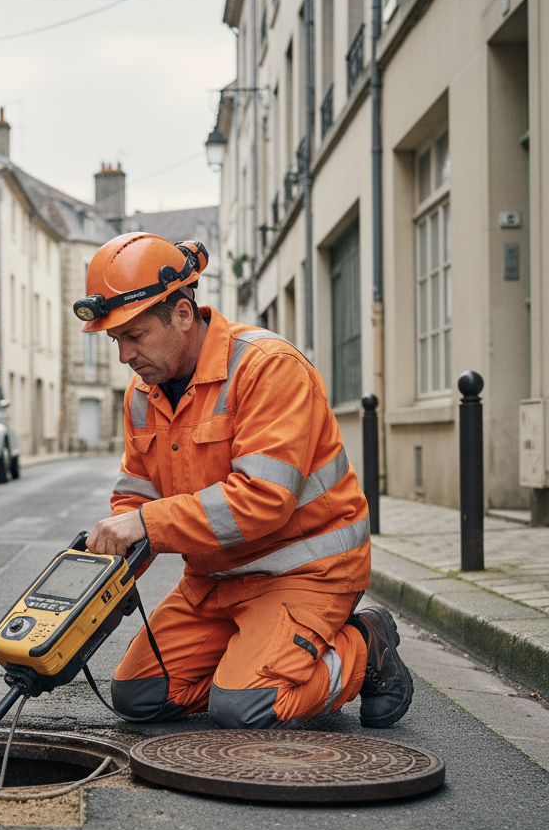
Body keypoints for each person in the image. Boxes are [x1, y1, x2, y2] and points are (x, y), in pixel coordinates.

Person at [78, 232, 413, 729]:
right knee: (138, 696)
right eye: (116, 341)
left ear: (183, 314)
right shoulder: (142, 395)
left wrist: (145, 525)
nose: (125, 355)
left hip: (306, 572)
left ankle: (365, 644)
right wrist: (106, 573)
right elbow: (136, 498)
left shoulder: (267, 367)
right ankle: (252, 659)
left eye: (135, 335)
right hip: (215, 580)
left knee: (245, 706)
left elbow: (262, 500)